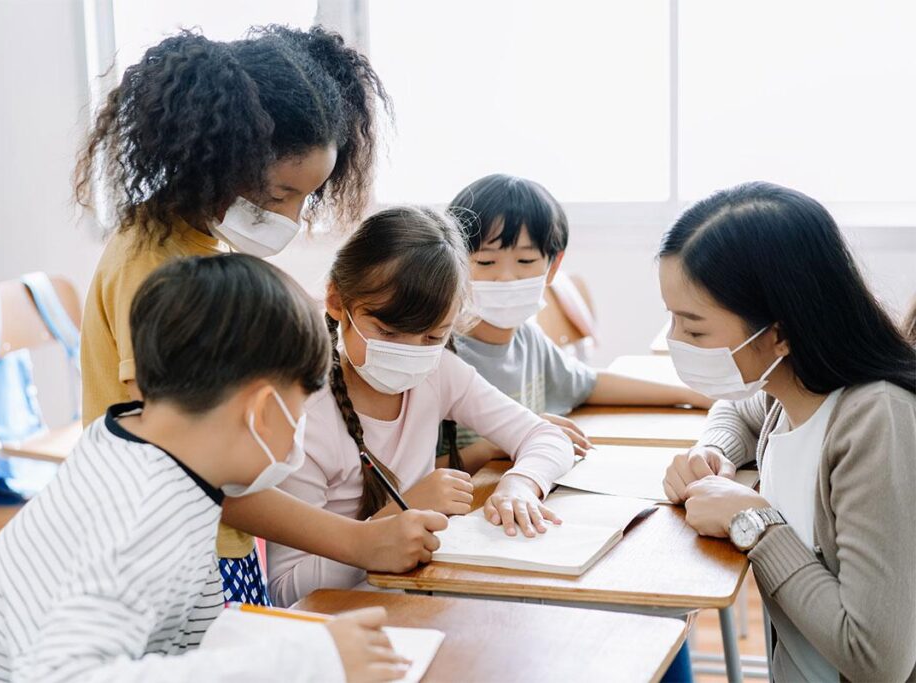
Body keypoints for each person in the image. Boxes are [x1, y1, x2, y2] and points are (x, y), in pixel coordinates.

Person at [74, 28, 441, 607]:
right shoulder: (155, 267)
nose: (291, 220)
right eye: (277, 196)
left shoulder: (200, 246)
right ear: (217, 157)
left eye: (308, 198)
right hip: (165, 557)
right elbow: (196, 465)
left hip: (215, 545)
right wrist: (360, 543)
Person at [0, 254, 410, 682]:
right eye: (300, 410)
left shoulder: (133, 441)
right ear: (263, 412)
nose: (298, 430)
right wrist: (305, 664)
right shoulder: (143, 514)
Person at [659, 182, 916, 682]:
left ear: (778, 332)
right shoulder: (789, 389)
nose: (675, 342)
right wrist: (714, 452)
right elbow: (737, 414)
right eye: (671, 320)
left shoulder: (876, 421)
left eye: (694, 330)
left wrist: (754, 523)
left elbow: (878, 660)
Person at [267, 206, 575, 607]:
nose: (409, 353)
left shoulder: (439, 373)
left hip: (429, 591)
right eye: (388, 332)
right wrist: (401, 513)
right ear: (337, 302)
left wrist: (521, 484)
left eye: (432, 338)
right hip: (353, 617)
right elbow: (287, 590)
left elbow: (544, 436)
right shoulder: (304, 413)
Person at [445, 173, 711, 473]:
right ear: (454, 262)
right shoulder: (440, 353)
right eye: (485, 262)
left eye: (525, 262)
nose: (506, 277)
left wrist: (688, 394)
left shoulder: (528, 339)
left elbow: (589, 384)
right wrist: (498, 443)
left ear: (553, 266)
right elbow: (410, 473)